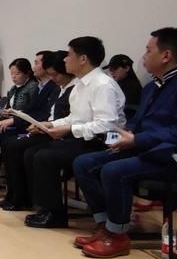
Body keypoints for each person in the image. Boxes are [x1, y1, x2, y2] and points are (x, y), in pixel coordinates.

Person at [71, 28, 177, 258]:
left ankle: (117, 235)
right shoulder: (152, 86)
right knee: (83, 163)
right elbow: (137, 124)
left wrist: (136, 139)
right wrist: (120, 138)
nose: (143, 56)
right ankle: (105, 225)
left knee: (114, 170)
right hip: (150, 149)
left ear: (166, 55)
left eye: (148, 50)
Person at [23, 36, 126, 229]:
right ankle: (45, 207)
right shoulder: (80, 85)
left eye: (69, 54)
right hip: (85, 136)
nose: (65, 59)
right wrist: (50, 124)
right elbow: (74, 118)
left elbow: (106, 125)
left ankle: (55, 213)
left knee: (45, 156)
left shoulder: (103, 85)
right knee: (33, 152)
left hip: (106, 141)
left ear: (83, 59)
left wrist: (69, 129)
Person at [0, 52, 57, 199]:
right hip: (17, 121)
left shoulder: (36, 87)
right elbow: (23, 110)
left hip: (25, 126)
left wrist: (12, 119)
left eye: (17, 73)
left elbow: (32, 112)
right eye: (12, 73)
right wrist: (1, 112)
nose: (13, 77)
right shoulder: (22, 88)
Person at [0, 52, 76, 211]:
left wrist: (47, 125)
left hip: (64, 134)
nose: (53, 78)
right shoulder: (58, 88)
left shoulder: (70, 88)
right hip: (49, 128)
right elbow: (50, 114)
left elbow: (71, 119)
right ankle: (16, 195)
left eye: (55, 75)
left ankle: (30, 199)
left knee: (25, 150)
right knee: (10, 144)